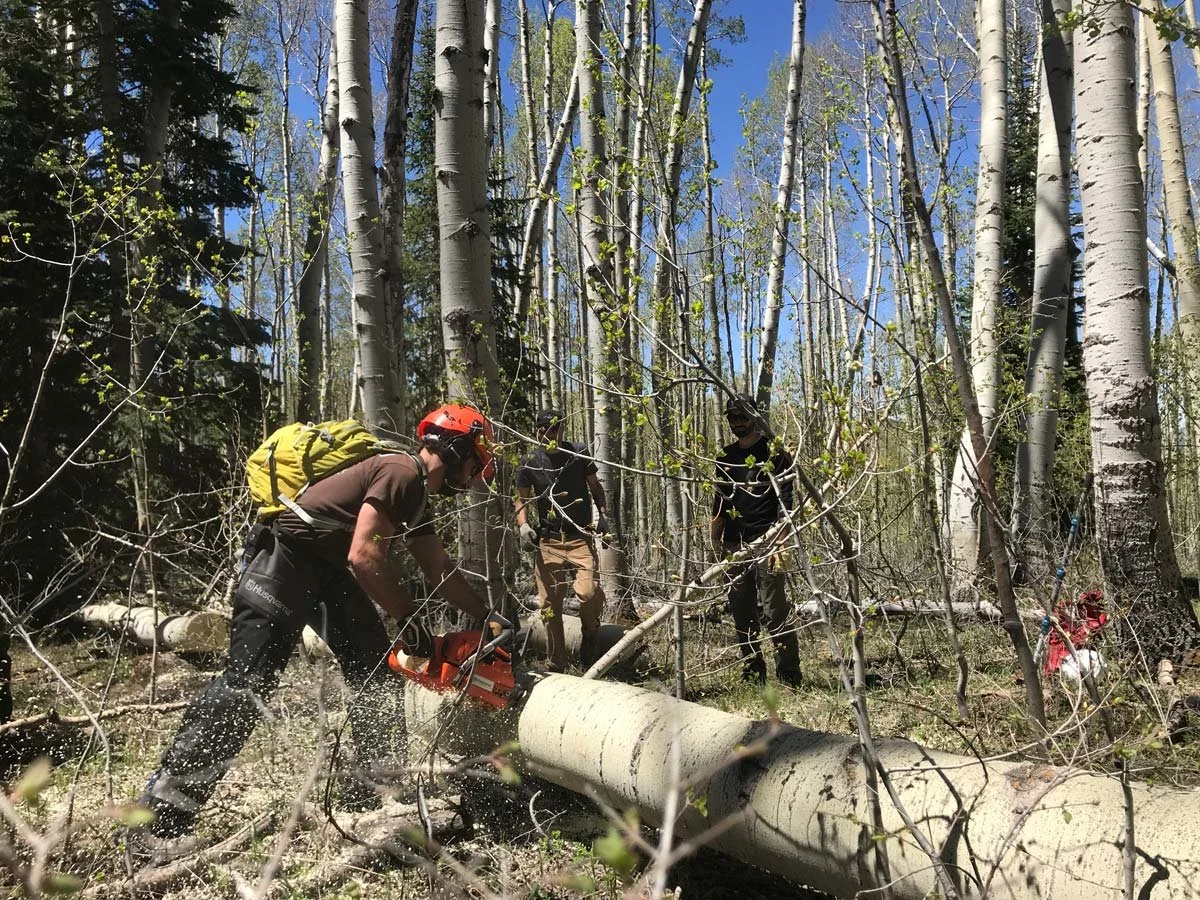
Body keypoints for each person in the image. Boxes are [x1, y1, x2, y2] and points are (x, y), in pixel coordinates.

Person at [136, 403, 512, 853]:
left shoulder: (413, 492)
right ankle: (157, 824)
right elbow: (364, 555)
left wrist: (485, 616)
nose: (474, 475)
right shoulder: (401, 473)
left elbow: (437, 566)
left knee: (375, 673)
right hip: (283, 562)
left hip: (325, 573)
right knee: (247, 687)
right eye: (475, 462)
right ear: (455, 448)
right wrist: (408, 620)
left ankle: (375, 790)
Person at [710, 394, 802, 687]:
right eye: (732, 417)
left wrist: (781, 541)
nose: (737, 423)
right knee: (742, 612)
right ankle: (753, 673)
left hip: (769, 540)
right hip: (734, 544)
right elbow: (720, 501)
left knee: (775, 611)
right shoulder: (724, 457)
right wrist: (715, 542)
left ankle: (789, 674)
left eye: (742, 416)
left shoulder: (774, 453)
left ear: (754, 416)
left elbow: (786, 500)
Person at [514, 408, 607, 672]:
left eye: (557, 428)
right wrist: (523, 525)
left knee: (588, 594)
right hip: (549, 540)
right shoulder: (530, 461)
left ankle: (590, 635)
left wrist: (603, 516)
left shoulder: (577, 452)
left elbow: (595, 487)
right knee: (549, 605)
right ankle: (556, 663)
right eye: (547, 429)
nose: (553, 434)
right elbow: (520, 498)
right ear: (538, 431)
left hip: (579, 536)